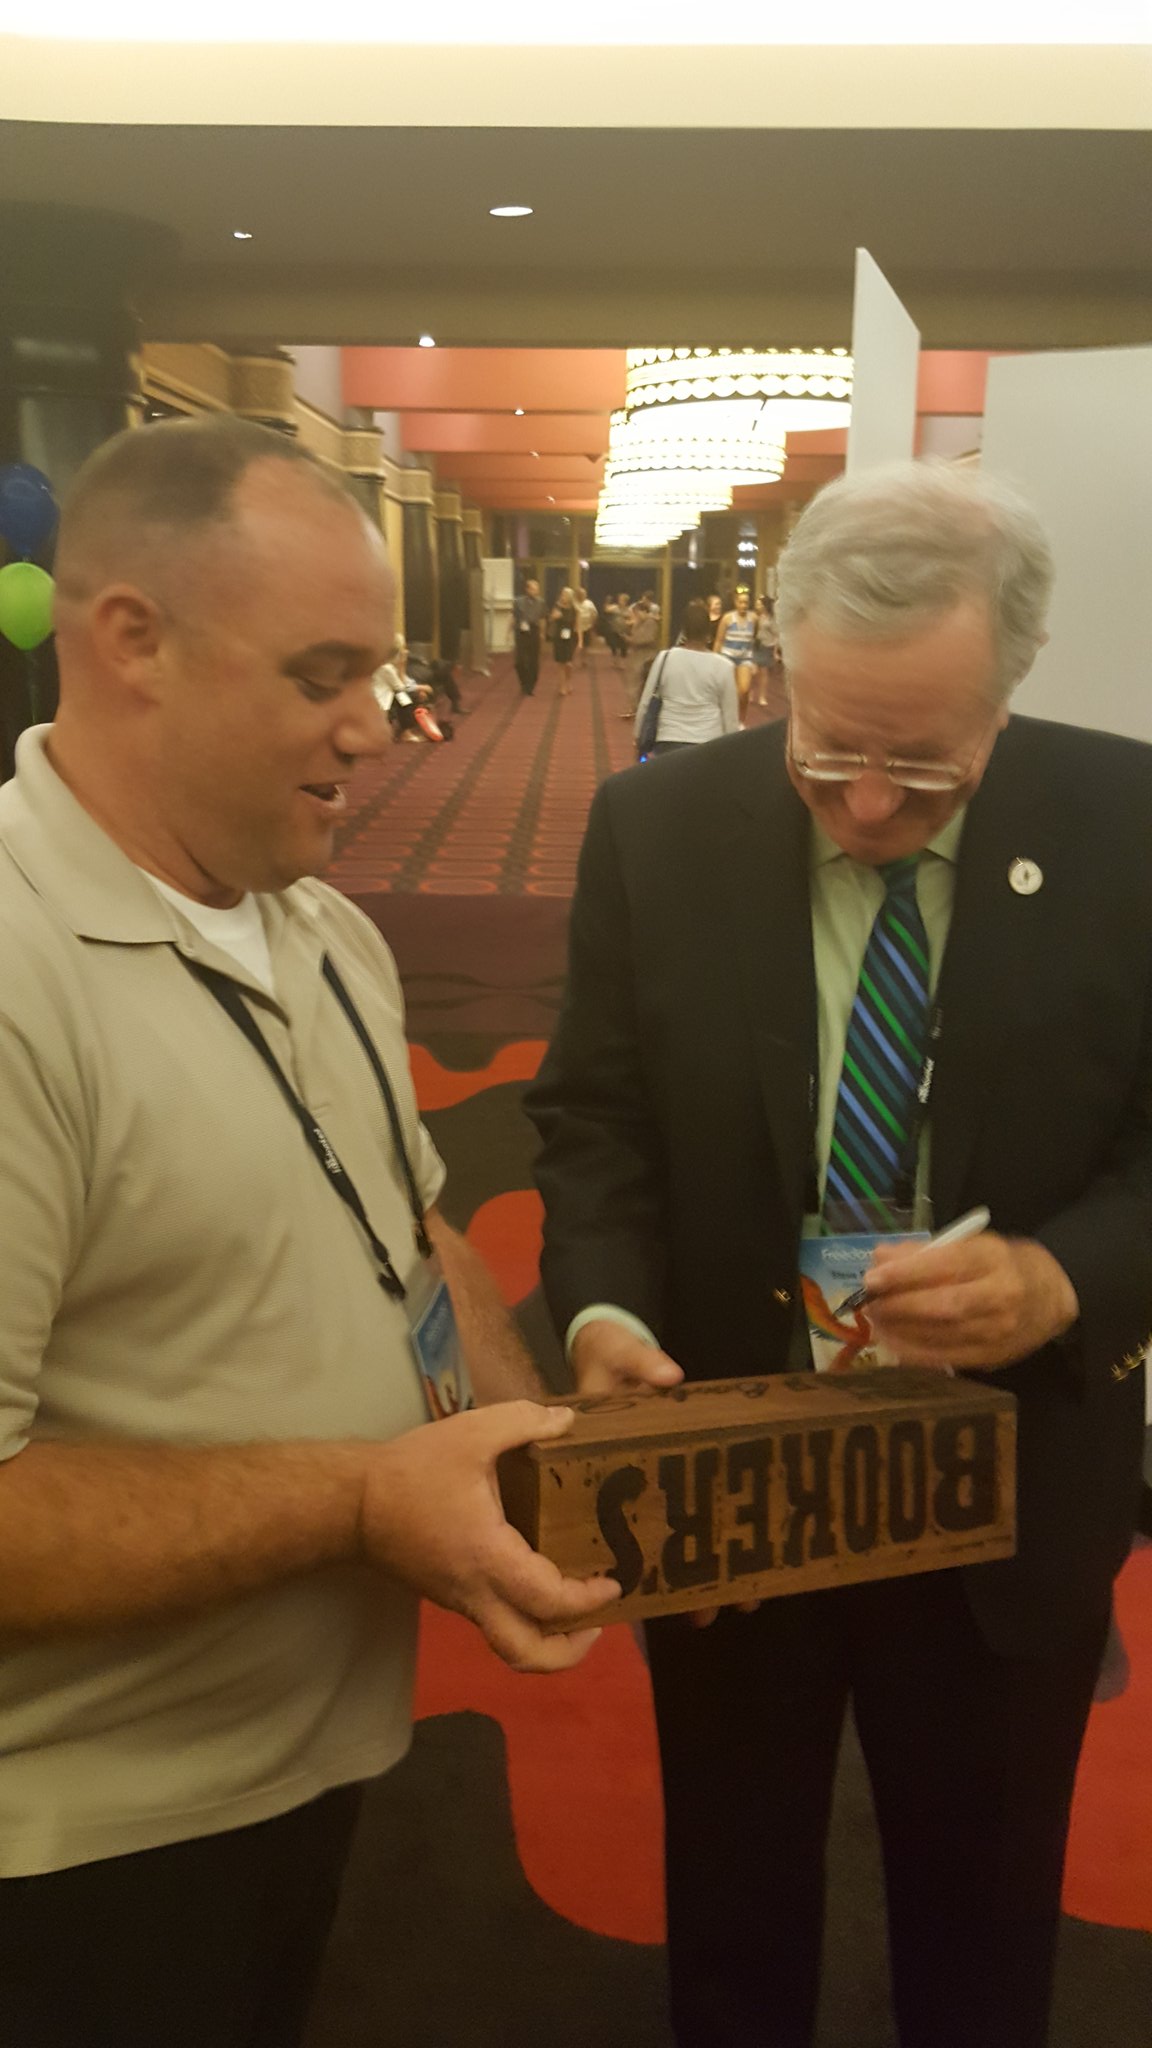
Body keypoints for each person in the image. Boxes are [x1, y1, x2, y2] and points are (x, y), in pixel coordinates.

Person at [0, 416, 619, 2048]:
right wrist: (364, 1496)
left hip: (304, 1766)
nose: (379, 725)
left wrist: (525, 1455)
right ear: (130, 639)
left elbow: (410, 1232)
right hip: (73, 1840)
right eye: (323, 672)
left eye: (384, 670)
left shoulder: (326, 925)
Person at [527, 460, 1152, 2048]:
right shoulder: (652, 826)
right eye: (827, 753)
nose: (867, 809)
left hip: (1010, 1478)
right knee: (730, 1903)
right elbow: (594, 1120)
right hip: (739, 1463)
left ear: (1009, 694)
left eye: (923, 770)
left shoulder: (1130, 824)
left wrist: (1066, 1275)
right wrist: (597, 1309)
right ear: (777, 663)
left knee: (988, 1918)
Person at [633, 597, 738, 757]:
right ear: (708, 633)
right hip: (709, 741)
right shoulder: (724, 666)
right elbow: (730, 715)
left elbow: (646, 702)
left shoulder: (665, 658)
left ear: (684, 631)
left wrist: (638, 736)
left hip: (668, 739)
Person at [714, 584, 757, 723]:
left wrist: (754, 660)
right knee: (729, 692)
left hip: (745, 658)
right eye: (741, 602)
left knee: (744, 691)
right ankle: (727, 719)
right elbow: (719, 641)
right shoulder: (727, 618)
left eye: (746, 602)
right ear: (735, 602)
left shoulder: (754, 618)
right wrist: (715, 660)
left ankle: (741, 721)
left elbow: (754, 639)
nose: (743, 605)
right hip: (728, 657)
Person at [622, 594, 661, 718]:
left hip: (646, 657)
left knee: (640, 684)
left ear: (644, 612)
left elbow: (647, 638)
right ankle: (634, 707)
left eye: (637, 613)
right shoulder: (640, 622)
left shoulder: (651, 623)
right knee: (635, 683)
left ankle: (638, 709)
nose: (636, 616)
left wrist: (631, 640)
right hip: (637, 656)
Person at [751, 591, 784, 714]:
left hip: (767, 647)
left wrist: (776, 651)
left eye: (759, 604)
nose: (757, 606)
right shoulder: (755, 616)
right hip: (756, 645)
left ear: (764, 605)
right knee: (753, 671)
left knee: (763, 673)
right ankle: (751, 691)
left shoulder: (770, 619)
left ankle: (762, 696)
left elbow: (776, 635)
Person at [512, 575, 546, 696]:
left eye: (536, 589)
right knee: (519, 661)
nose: (535, 591)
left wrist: (542, 633)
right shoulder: (518, 602)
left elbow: (542, 619)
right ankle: (524, 682)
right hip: (521, 632)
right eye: (532, 589)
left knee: (533, 661)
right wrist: (508, 633)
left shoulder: (541, 602)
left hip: (534, 631)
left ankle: (530, 686)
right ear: (527, 589)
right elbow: (513, 617)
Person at [550, 585, 579, 694]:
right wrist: (554, 616)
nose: (564, 597)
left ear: (570, 597)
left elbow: (577, 625)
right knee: (561, 664)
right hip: (559, 638)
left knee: (569, 664)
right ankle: (562, 686)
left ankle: (568, 681)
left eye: (566, 595)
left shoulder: (574, 609)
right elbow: (551, 618)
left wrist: (580, 641)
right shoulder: (557, 607)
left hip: (571, 638)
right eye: (562, 595)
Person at [575, 586, 598, 669]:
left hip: (587, 627)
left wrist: (592, 623)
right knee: (574, 645)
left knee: (586, 645)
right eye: (580, 594)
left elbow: (595, 614)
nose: (582, 595)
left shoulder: (589, 603)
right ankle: (572, 660)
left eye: (584, 594)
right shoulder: (574, 603)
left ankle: (583, 660)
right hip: (575, 628)